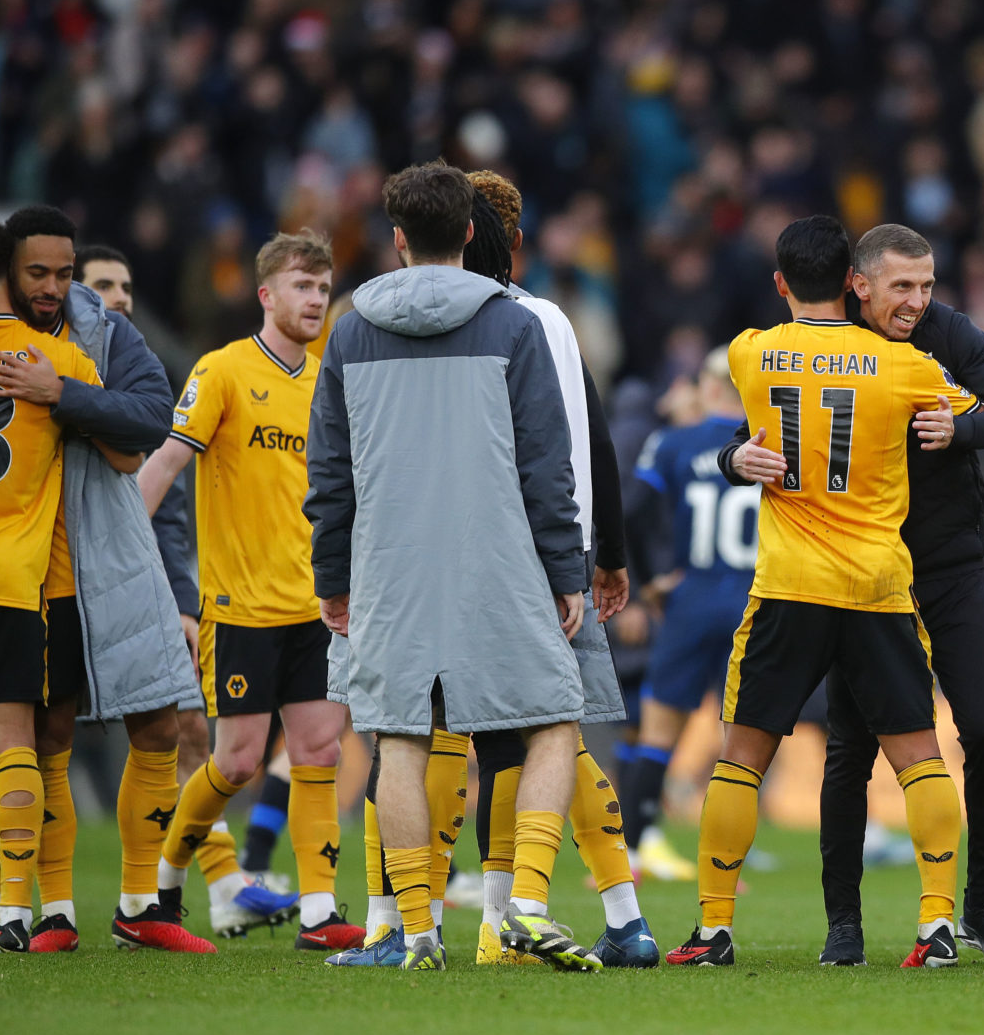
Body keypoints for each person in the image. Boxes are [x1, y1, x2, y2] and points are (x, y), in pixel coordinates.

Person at [340, 180, 651, 970]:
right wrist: (587, 558)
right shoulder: (531, 320)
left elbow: (330, 468)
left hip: (394, 562)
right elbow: (573, 452)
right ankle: (527, 918)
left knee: (407, 740)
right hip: (521, 558)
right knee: (545, 730)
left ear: (400, 237)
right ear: (506, 242)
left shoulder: (356, 326)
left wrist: (331, 570)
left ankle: (403, 930)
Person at [723, 223, 984, 967]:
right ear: (857, 285)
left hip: (946, 567)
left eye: (927, 286)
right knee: (850, 750)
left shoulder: (946, 336)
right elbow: (758, 427)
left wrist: (963, 426)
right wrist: (730, 457)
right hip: (863, 572)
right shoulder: (821, 343)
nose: (918, 302)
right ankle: (845, 925)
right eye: (903, 287)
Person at [664, 216, 978, 969]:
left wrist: (739, 456)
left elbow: (743, 432)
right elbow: (964, 409)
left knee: (741, 758)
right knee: (920, 758)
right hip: (876, 583)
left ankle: (714, 930)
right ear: (851, 284)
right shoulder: (904, 364)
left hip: (789, 583)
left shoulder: (750, 352)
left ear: (780, 284)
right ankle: (937, 923)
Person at [0, 207, 210, 955]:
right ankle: (48, 911)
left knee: (159, 722)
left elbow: (153, 416)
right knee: (45, 735)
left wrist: (66, 399)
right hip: (34, 571)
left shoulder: (102, 334)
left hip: (111, 557)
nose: (53, 288)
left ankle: (141, 905)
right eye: (37, 274)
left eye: (64, 273)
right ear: (8, 270)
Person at [137, 231, 362, 952]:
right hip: (239, 606)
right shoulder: (223, 370)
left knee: (318, 752)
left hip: (315, 604)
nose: (315, 301)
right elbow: (168, 461)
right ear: (266, 294)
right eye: (303, 287)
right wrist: (125, 561)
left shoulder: (330, 381)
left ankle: (321, 911)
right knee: (235, 760)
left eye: (323, 289)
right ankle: (162, 881)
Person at [77, 242, 286, 923]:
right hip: (46, 577)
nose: (121, 297)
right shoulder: (45, 373)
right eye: (103, 284)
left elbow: (165, 509)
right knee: (17, 740)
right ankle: (2, 900)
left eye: (128, 285)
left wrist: (179, 599)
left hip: (140, 588)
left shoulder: (141, 384)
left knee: (183, 727)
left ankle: (216, 890)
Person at [0, 213, 103, 952]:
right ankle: (13, 914)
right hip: (12, 577)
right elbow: (124, 454)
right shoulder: (55, 360)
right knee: (11, 741)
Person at [625, 348, 758, 885]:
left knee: (658, 730)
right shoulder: (770, 443)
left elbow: (631, 509)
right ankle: (725, 865)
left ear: (706, 387)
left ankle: (631, 855)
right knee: (740, 740)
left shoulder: (673, 443)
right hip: (754, 601)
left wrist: (650, 580)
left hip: (690, 596)